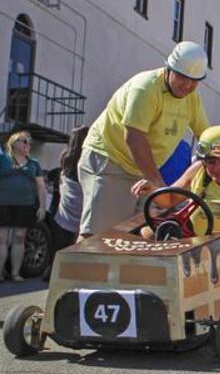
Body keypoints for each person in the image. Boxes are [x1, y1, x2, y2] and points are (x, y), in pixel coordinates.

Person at [79, 42, 209, 237]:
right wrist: (156, 181)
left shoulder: (192, 99)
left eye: (194, 80)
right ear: (169, 68)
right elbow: (134, 137)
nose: (188, 85)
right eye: (182, 77)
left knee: (137, 236)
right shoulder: (146, 88)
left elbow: (207, 136)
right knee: (99, 236)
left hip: (142, 171)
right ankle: (77, 268)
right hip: (111, 159)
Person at [133, 126, 220, 236]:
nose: (217, 168)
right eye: (211, 162)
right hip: (194, 242)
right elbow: (170, 199)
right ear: (203, 160)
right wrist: (153, 189)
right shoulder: (198, 171)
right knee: (147, 233)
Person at [43, 126, 90, 280]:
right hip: (81, 208)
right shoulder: (86, 159)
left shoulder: (66, 157)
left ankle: (51, 272)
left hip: (64, 209)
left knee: (59, 247)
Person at [0, 131, 47, 281]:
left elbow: (41, 187)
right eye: (24, 141)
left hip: (25, 205)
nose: (27, 144)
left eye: (28, 142)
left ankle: (15, 273)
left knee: (20, 237)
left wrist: (42, 207)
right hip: (3, 204)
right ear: (13, 143)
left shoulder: (34, 164)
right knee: (2, 238)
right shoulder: (2, 159)